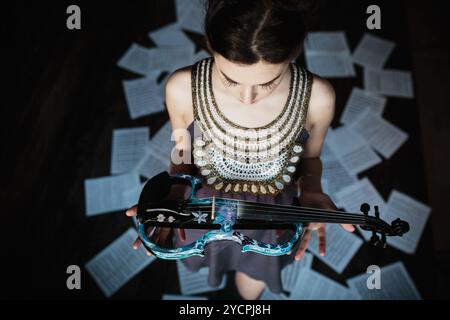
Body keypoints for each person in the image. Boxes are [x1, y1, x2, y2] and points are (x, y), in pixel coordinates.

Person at [126, 0, 355, 300]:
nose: (247, 98)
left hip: (270, 216)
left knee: (252, 286)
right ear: (210, 44)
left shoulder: (318, 98)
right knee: (210, 256)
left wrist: (311, 186)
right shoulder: (182, 89)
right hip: (204, 210)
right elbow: (183, 152)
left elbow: (310, 158)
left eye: (268, 82)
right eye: (230, 79)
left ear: (296, 49)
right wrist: (177, 186)